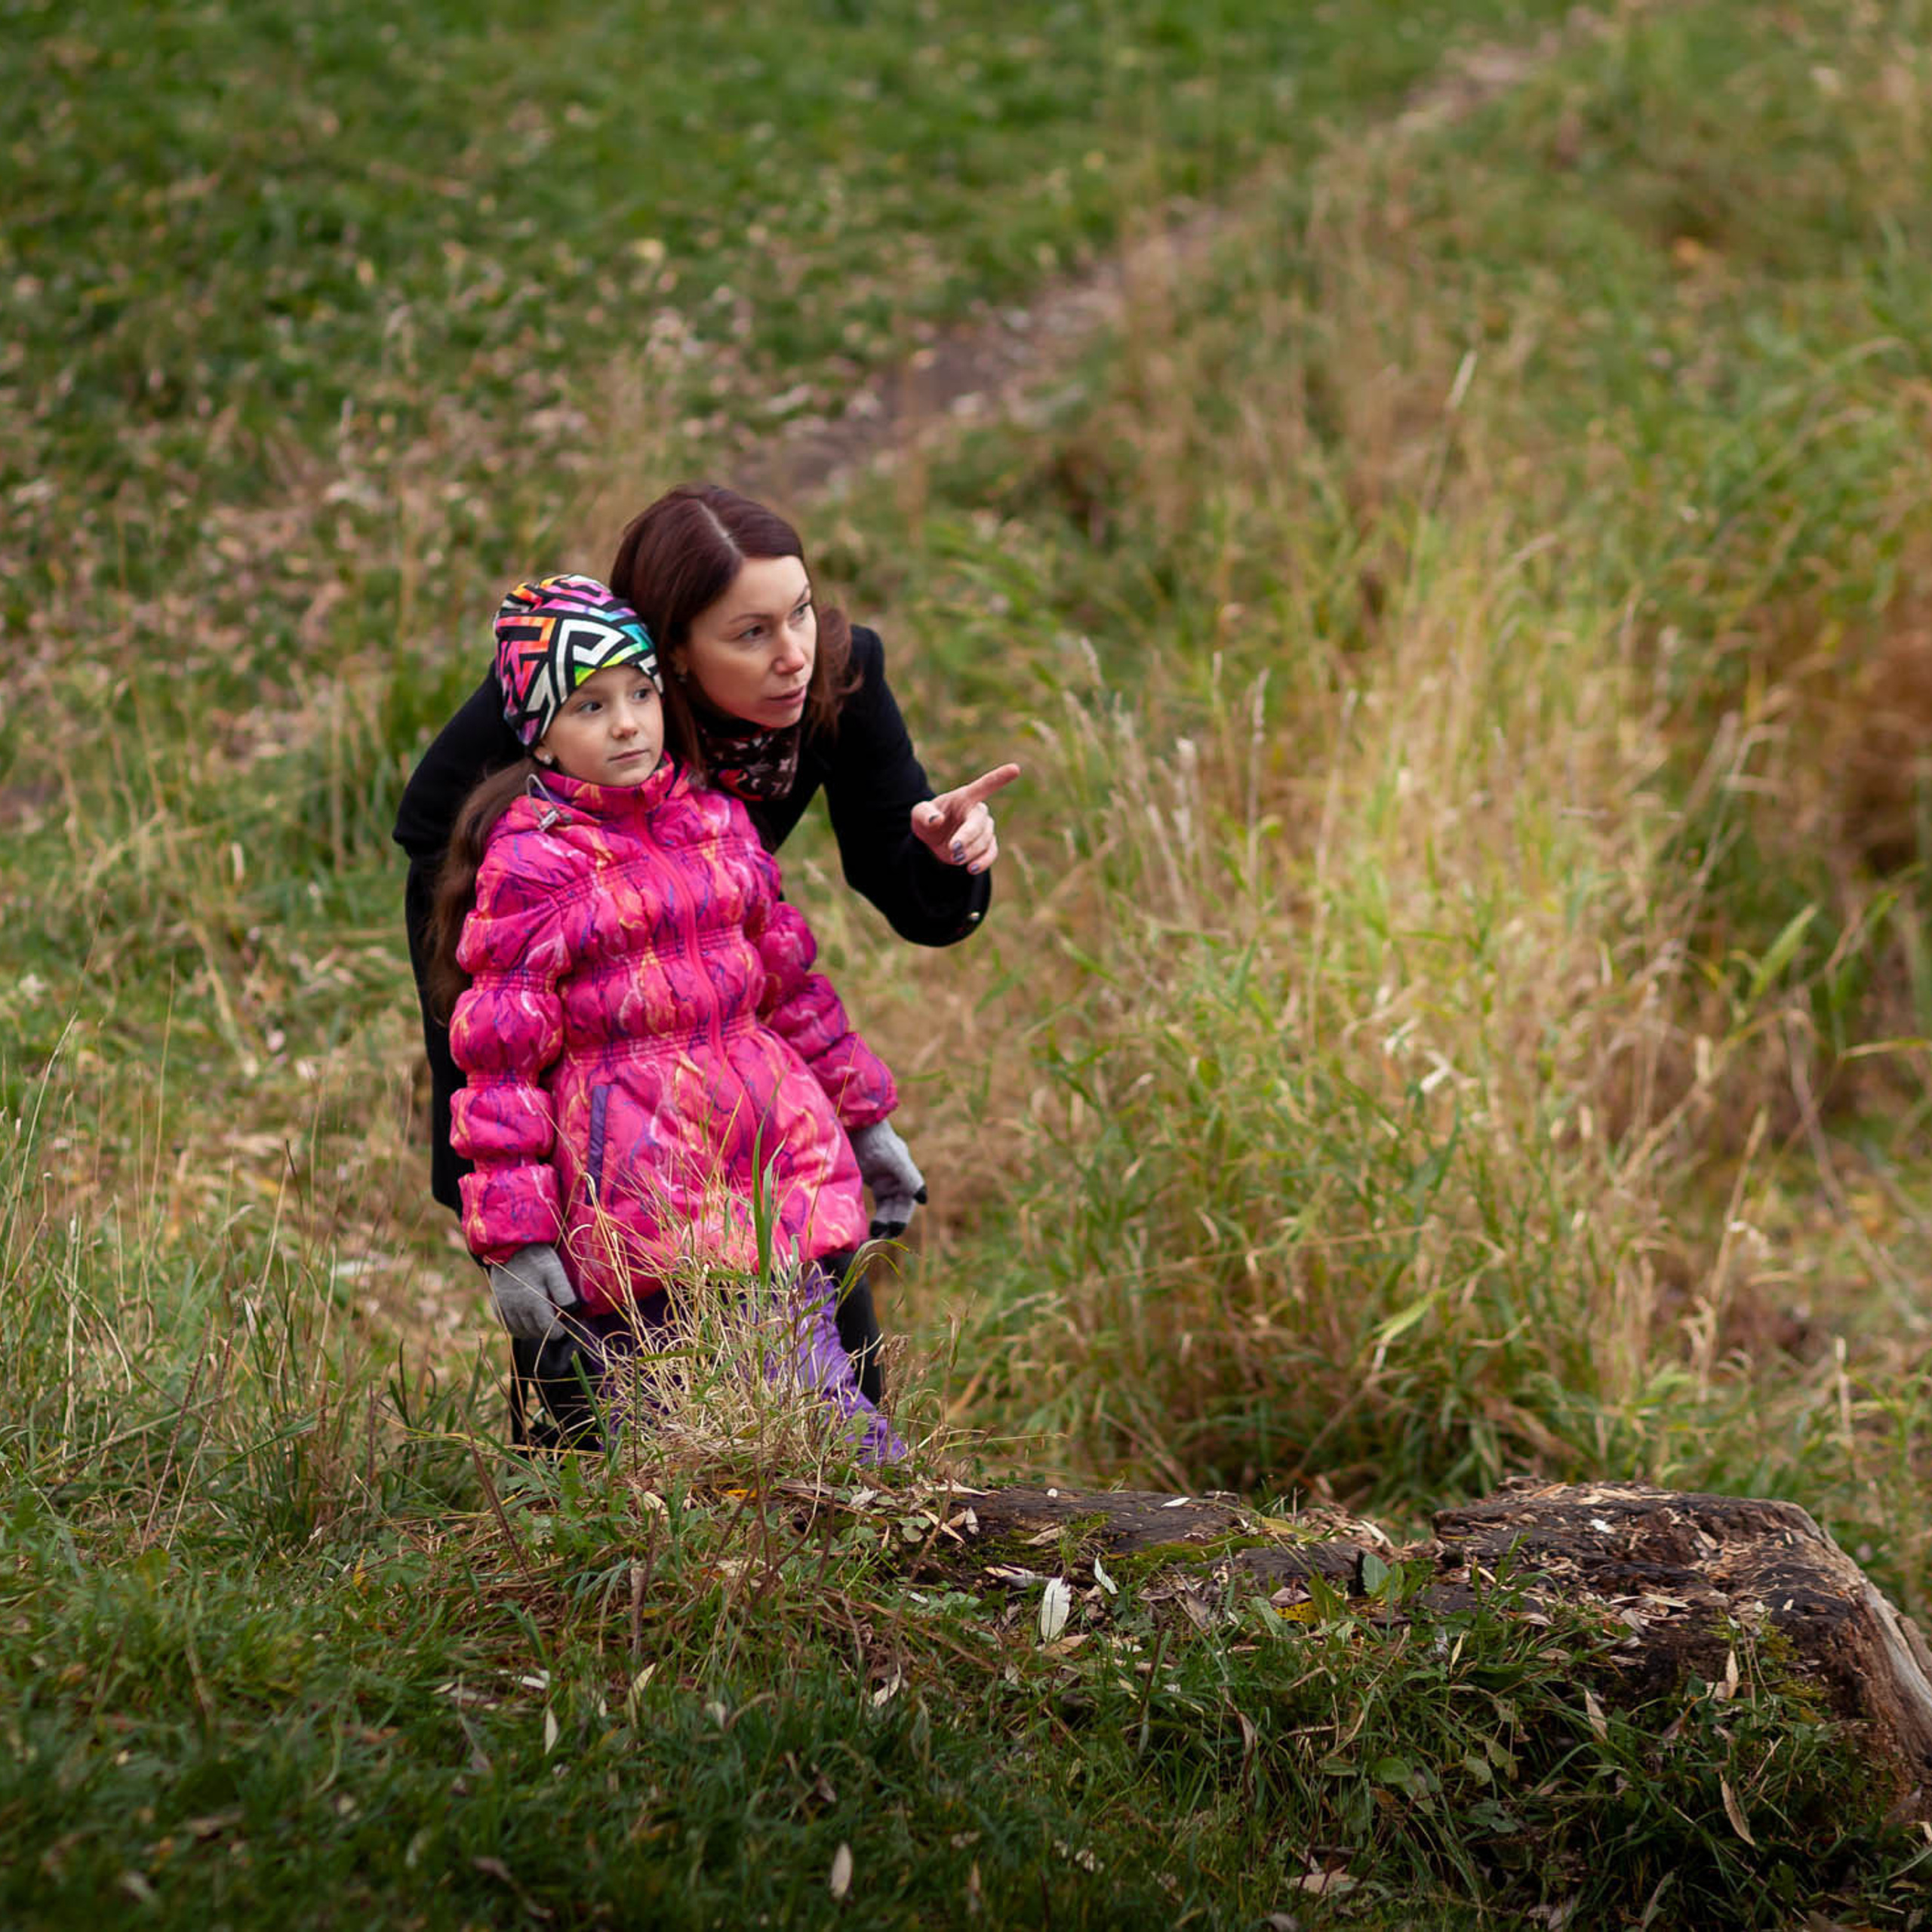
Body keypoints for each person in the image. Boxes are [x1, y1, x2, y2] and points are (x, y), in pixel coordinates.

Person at [393, 484, 1017, 1431]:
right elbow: (461, 914)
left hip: (733, 1070)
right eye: (753, 632)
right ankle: (579, 1544)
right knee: (605, 1367)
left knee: (823, 1338)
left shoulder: (832, 683)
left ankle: (838, 1512)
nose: (793, 653)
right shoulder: (576, 688)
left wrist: (943, 858)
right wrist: (498, 1186)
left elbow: (849, 933)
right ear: (670, 649)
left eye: (800, 609)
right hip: (591, 1079)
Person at [429, 572, 902, 1461]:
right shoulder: (534, 863)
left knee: (823, 1397)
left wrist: (867, 1118)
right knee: (672, 1430)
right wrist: (514, 1236)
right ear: (539, 734)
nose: (626, 723)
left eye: (641, 693)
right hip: (639, 1185)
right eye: (589, 706)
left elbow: (792, 985)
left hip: (773, 1161)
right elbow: (498, 1067)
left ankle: (861, 1535)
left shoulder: (718, 821)